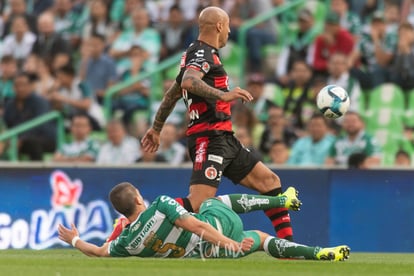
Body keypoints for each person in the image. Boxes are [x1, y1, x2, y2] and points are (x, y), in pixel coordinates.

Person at [141, 7, 295, 241]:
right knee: (199, 204)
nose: (230, 31)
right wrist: (222, 95)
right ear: (220, 26)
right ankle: (139, 221)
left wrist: (156, 128)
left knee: (270, 181)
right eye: (228, 26)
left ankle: (287, 247)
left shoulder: (196, 53)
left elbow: (172, 93)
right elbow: (189, 82)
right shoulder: (202, 54)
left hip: (225, 138)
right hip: (208, 138)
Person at [58, 182, 350, 261]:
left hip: (208, 254)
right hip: (219, 237)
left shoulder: (125, 243)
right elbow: (196, 225)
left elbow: (96, 251)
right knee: (208, 203)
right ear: (137, 200)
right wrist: (232, 244)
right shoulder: (159, 205)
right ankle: (281, 201)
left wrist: (73, 239)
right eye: (138, 193)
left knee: (261, 239)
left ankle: (320, 253)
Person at [3, 71, 56, 160]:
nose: (20, 88)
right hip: (17, 140)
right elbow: (6, 123)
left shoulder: (40, 102)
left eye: (23, 85)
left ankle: (37, 173)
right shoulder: (9, 104)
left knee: (33, 144)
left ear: (30, 86)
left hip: (44, 139)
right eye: (17, 85)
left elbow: (40, 126)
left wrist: (21, 139)